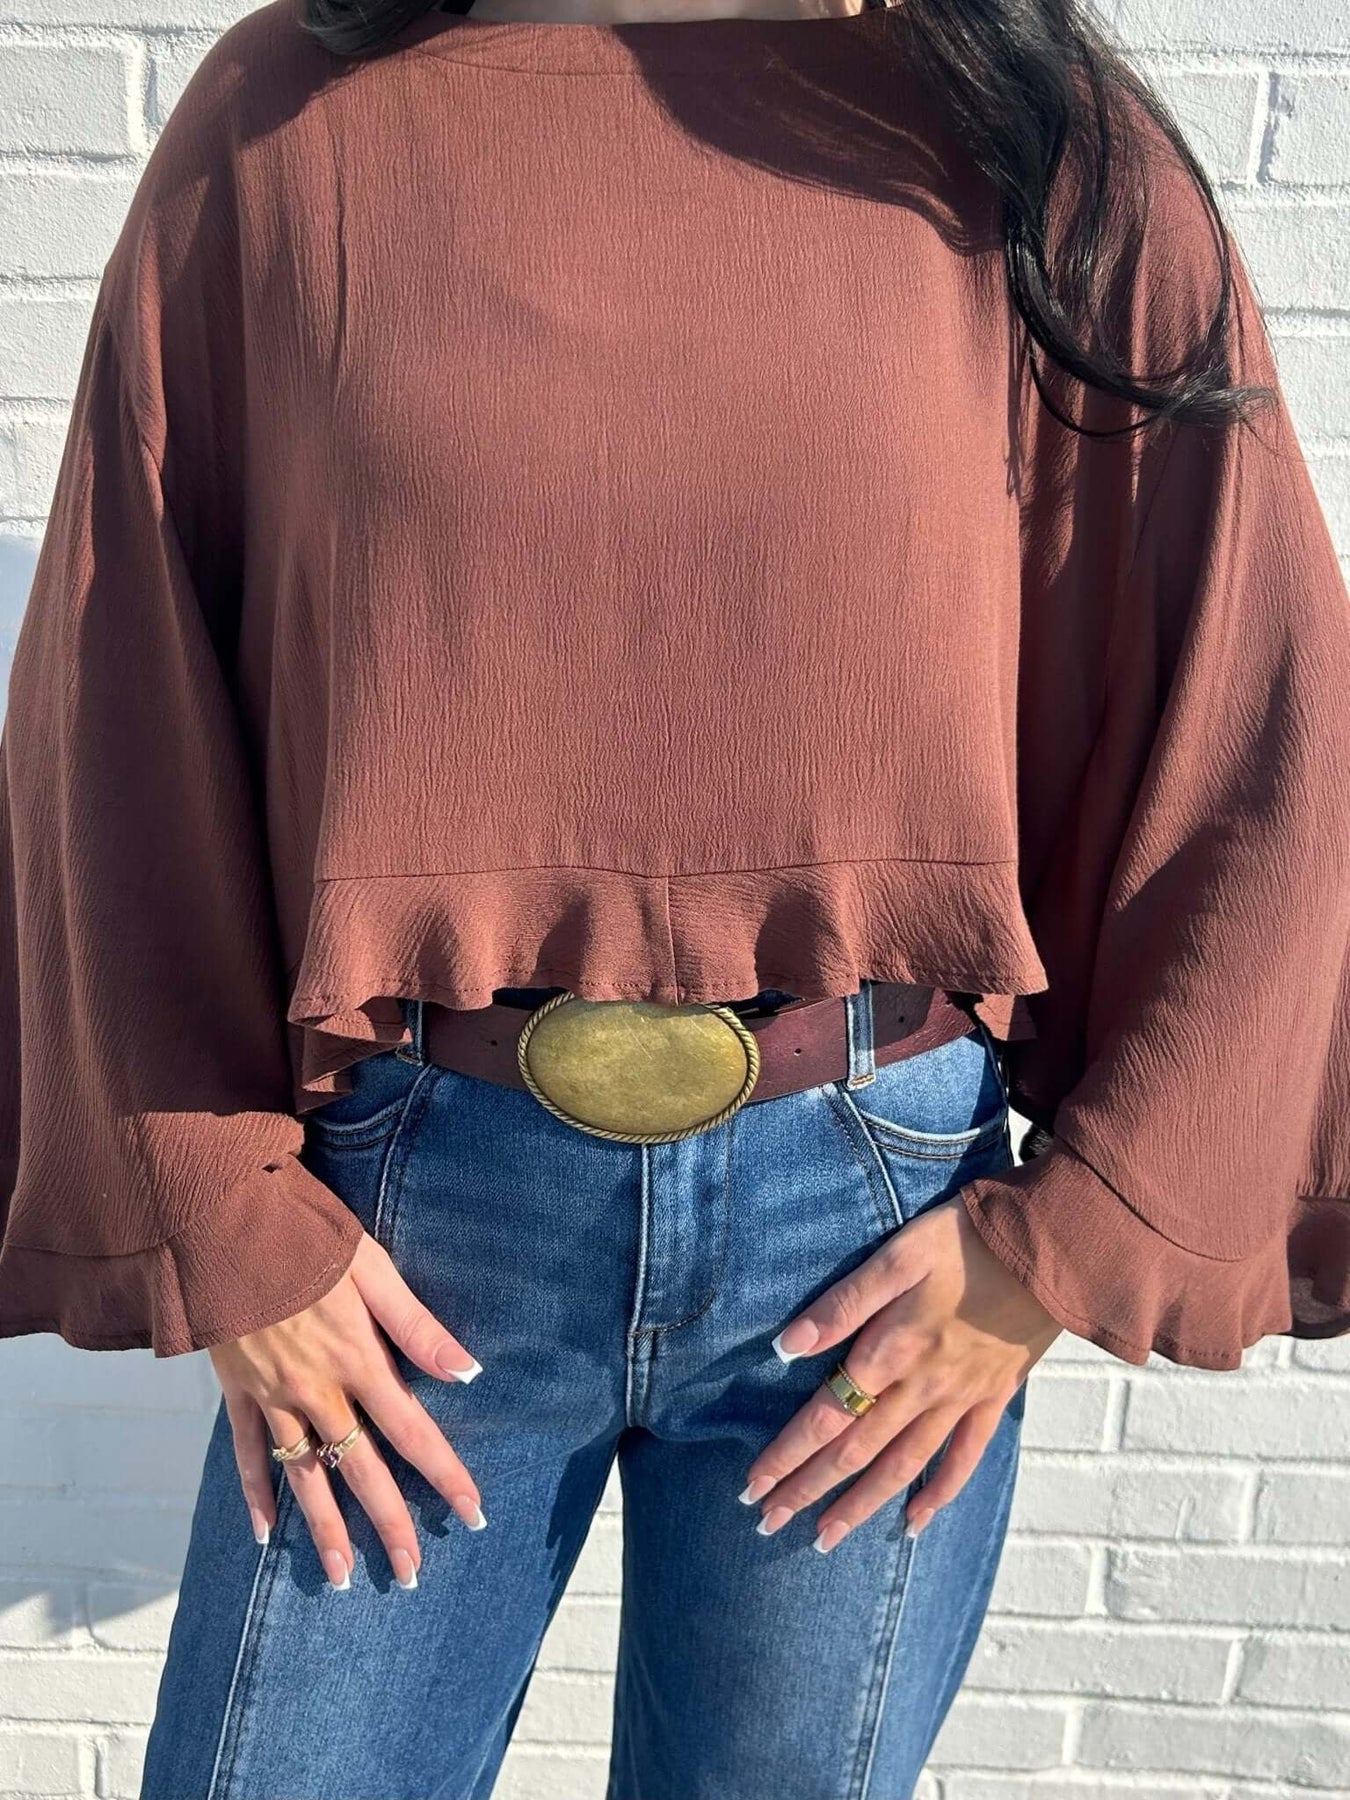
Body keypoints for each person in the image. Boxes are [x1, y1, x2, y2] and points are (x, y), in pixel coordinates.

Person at [1, 0, 1347, 1793]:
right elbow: (113, 676)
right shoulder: (293, 124)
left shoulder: (1042, 148)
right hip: (419, 1216)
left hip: (871, 1227)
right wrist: (211, 1208)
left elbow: (1259, 710)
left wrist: (1070, 1246)